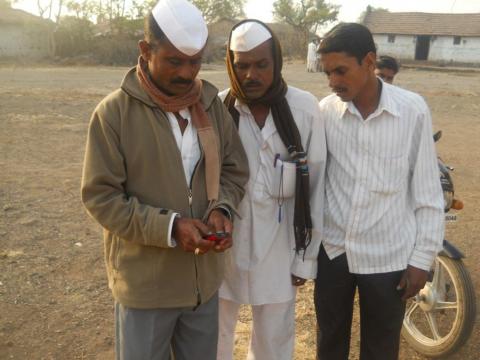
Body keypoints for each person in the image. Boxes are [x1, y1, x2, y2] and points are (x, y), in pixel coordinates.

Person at [80, 0, 249, 359]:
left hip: (203, 285)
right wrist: (171, 228)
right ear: (145, 50)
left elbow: (234, 170)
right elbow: (102, 198)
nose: (187, 74)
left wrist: (222, 210)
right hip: (146, 288)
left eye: (195, 62)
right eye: (175, 61)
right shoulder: (114, 114)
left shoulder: (210, 104)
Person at [315, 23, 444, 360]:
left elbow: (427, 191)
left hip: (388, 256)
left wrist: (421, 259)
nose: (333, 82)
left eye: (341, 71)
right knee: (329, 342)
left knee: (381, 348)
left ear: (369, 61)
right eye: (328, 73)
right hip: (334, 251)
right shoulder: (325, 111)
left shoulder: (412, 110)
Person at [217, 20, 326, 360]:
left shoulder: (304, 108)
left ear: (276, 62)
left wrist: (305, 260)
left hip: (281, 247)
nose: (252, 75)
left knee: (274, 341)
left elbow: (317, 187)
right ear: (231, 66)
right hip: (224, 250)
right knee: (214, 335)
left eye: (261, 64)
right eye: (242, 65)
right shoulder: (220, 109)